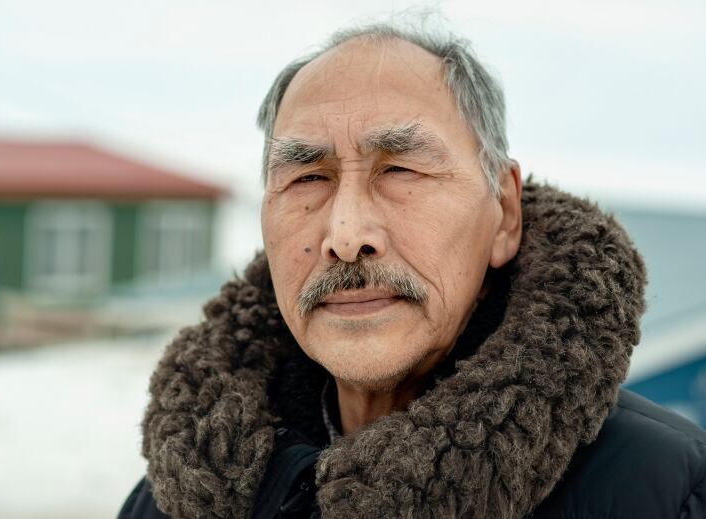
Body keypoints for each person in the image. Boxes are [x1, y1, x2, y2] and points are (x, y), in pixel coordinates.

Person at [119, 20, 706, 519]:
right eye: (308, 178)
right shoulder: (174, 498)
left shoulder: (661, 489)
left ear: (503, 213)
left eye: (401, 170)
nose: (346, 237)